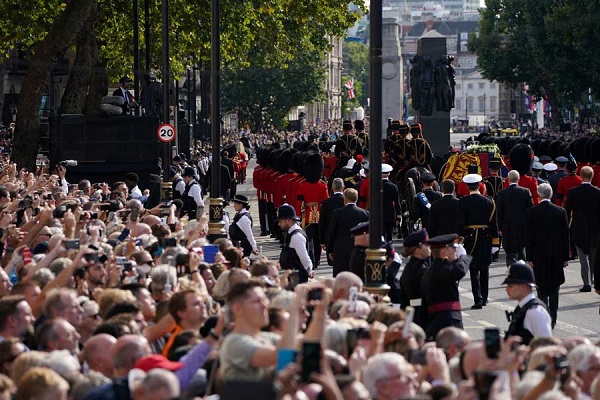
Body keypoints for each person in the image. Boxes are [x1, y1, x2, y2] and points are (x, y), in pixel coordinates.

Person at [525, 183, 570, 328]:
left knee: (541, 288)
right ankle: (553, 318)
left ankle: (543, 317)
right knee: (554, 288)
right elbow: (565, 236)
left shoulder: (532, 212)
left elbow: (529, 237)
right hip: (556, 255)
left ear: (538, 195)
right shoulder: (560, 211)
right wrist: (565, 257)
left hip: (538, 255)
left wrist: (529, 257)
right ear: (551, 194)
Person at [457, 173, 499, 309]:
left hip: (469, 238)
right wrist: (495, 243)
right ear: (479, 185)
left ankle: (478, 299)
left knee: (474, 269)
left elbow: (460, 223)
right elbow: (494, 224)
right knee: (484, 268)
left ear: (467, 187)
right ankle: (485, 297)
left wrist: (459, 240)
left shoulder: (463, 202)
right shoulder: (489, 201)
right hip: (486, 237)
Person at [421, 233, 471, 341]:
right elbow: (459, 271)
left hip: (442, 320)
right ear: (444, 252)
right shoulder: (439, 269)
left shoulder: (436, 268)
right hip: (447, 321)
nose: (456, 251)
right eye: (454, 248)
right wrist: (464, 257)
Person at [566, 166, 600, 292]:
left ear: (580, 175)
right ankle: (593, 279)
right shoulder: (598, 192)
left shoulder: (573, 191)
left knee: (583, 257)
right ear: (592, 176)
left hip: (578, 227)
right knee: (593, 256)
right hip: (595, 229)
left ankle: (586, 283)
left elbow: (568, 210)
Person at [503, 262, 552, 345]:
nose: (506, 289)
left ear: (524, 286)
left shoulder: (535, 312)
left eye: (510, 285)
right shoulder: (522, 307)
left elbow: (546, 346)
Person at [327, 188, 369, 277]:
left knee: (340, 275)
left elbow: (332, 233)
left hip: (340, 248)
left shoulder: (337, 213)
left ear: (345, 199)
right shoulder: (365, 213)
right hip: (358, 248)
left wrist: (330, 250)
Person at [496, 170, 534, 266]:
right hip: (522, 224)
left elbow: (499, 212)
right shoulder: (525, 192)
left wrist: (499, 227)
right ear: (518, 179)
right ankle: (522, 269)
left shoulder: (502, 193)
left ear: (508, 179)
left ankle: (511, 270)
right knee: (521, 249)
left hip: (507, 225)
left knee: (509, 251)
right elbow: (531, 210)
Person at [398, 229, 430, 329]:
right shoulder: (419, 269)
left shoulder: (415, 265)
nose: (429, 247)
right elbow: (417, 299)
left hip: (414, 314)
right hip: (419, 317)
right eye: (427, 244)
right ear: (418, 249)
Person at [277, 204, 314, 283]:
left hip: (297, 276)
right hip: (293, 274)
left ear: (288, 220)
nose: (279, 224)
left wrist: (309, 269)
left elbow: (304, 256)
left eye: (281, 221)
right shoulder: (291, 233)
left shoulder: (296, 236)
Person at [319, 178, 345, 267]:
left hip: (330, 236)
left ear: (333, 188)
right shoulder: (346, 201)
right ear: (343, 187)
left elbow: (322, 222)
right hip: (344, 235)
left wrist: (322, 241)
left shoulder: (326, 202)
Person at [381, 164, 402, 242]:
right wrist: (398, 216)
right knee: (389, 236)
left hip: (378, 215)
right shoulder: (394, 187)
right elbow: (397, 203)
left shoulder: (376, 186)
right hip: (390, 214)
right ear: (389, 174)